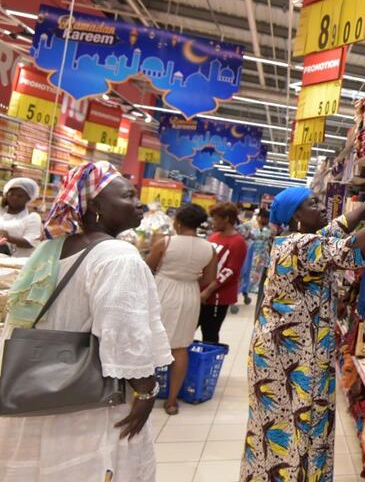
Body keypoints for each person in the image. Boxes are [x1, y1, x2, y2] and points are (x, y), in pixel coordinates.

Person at [0, 161, 172, 481]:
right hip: (91, 399)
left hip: (39, 387)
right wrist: (146, 392)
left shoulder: (55, 248)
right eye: (128, 196)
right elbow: (123, 332)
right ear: (94, 206)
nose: (139, 203)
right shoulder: (117, 256)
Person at [240, 182, 365, 482]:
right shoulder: (301, 246)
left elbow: (338, 226)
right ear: (296, 215)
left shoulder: (298, 238)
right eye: (312, 204)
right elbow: (352, 250)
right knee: (291, 428)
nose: (322, 206)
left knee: (289, 424)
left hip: (291, 352)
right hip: (288, 358)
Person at [146, 203, 217, 416]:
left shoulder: (165, 243)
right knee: (180, 347)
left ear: (177, 221)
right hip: (189, 295)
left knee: (151, 342)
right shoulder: (209, 248)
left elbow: (147, 267)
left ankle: (145, 395)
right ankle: (172, 401)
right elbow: (209, 279)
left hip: (163, 291)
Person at [199, 201, 247, 343]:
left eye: (216, 218)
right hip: (202, 292)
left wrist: (208, 291)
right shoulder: (214, 236)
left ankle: (207, 363)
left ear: (226, 219)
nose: (213, 222)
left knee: (210, 333)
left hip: (218, 296)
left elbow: (229, 271)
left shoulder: (238, 242)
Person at [0, 177, 43, 257]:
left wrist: (8, 237)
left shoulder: (32, 217)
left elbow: (31, 242)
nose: (14, 198)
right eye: (12, 194)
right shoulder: (1, 212)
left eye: (20, 196)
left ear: (28, 198)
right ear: (6, 194)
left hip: (20, 262)